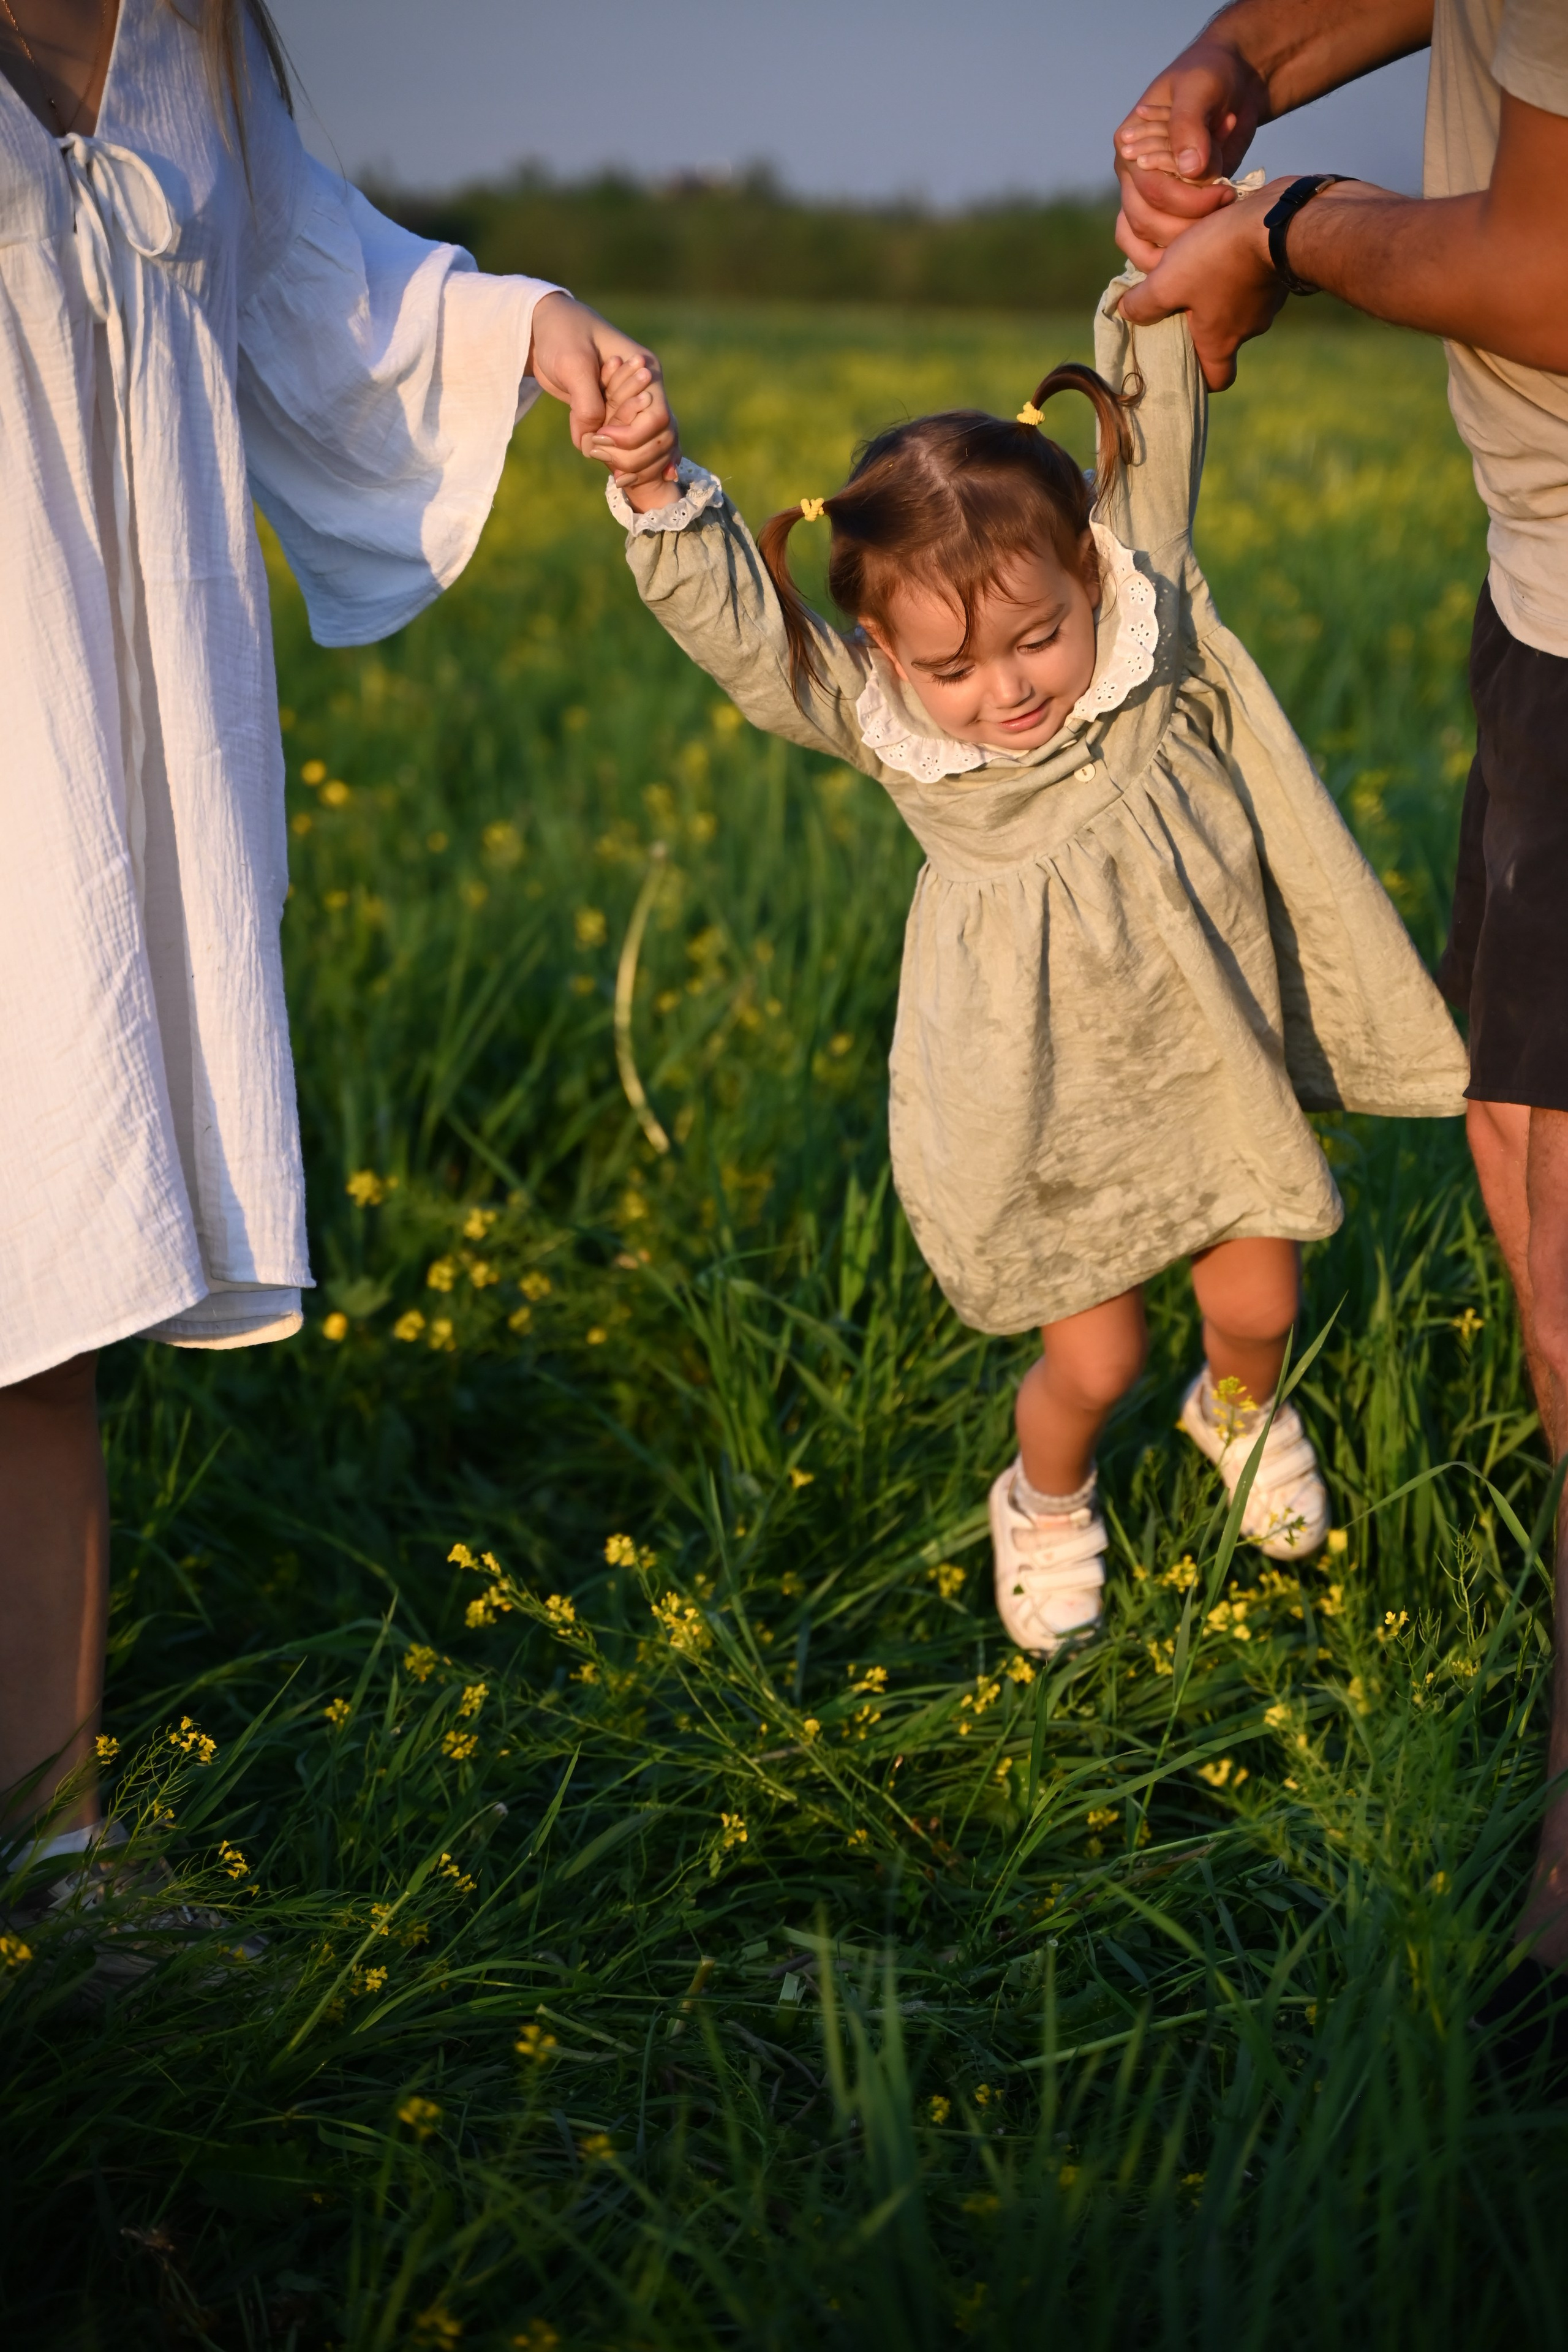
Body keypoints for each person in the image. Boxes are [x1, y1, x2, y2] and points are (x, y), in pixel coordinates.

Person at [0, 0, 676, 1872]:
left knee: (44, 1257)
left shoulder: (192, 38)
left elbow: (303, 264)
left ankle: (54, 1856)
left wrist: (521, 326)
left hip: (80, 751)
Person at [584, 288, 1468, 1656]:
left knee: (1260, 1299)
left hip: (1205, 1055)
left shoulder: (1142, 610)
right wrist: (654, 490)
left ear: (1087, 574)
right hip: (1052, 1103)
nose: (1004, 689)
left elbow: (1154, 415)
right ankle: (1045, 1499)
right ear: (885, 655)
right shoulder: (884, 724)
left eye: (1033, 636)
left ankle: (1233, 1415)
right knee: (1092, 1360)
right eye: (950, 665)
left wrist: (1167, 263)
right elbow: (752, 649)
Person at [1108, 0, 1568, 1972]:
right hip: (1546, 581)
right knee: (1526, 1185)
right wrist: (1244, 59)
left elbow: (1551, 275)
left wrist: (1293, 219)